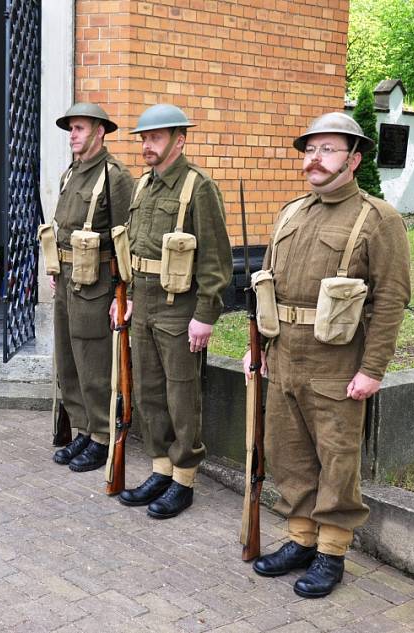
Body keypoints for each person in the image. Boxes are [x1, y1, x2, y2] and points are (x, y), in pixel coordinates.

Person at [244, 112, 411, 598]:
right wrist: (264, 350)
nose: (314, 160)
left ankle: (332, 552)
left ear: (354, 160)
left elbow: (391, 298)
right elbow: (269, 288)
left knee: (337, 460)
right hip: (286, 355)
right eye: (310, 150)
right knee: (289, 454)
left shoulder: (378, 219)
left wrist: (372, 369)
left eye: (328, 150)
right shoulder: (292, 211)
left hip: (337, 363)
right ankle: (300, 538)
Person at [112, 104, 232, 517]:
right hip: (142, 304)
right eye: (144, 138)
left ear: (179, 141)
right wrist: (122, 297)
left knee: (182, 396)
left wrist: (205, 315)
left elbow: (216, 261)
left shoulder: (198, 188)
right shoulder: (143, 185)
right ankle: (160, 470)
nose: (147, 145)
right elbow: (133, 248)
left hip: (179, 310)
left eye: (156, 137)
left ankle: (184, 479)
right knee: (147, 392)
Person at [49, 103, 134, 472]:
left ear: (100, 131)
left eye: (80, 128)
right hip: (66, 280)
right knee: (69, 360)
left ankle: (101, 435)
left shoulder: (114, 176)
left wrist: (125, 293)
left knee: (94, 364)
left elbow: (125, 238)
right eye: (71, 129)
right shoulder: (71, 173)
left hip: (96, 284)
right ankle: (82, 428)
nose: (73, 135)